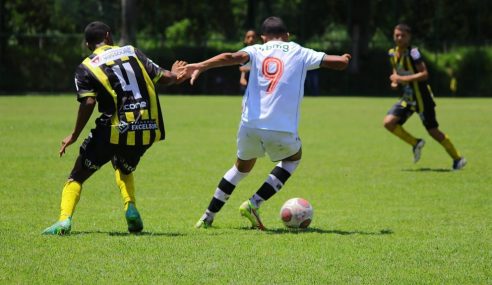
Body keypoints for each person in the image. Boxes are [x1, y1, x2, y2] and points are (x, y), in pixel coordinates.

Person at [179, 16, 351, 230]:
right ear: (287, 36)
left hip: (249, 125)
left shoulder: (256, 50)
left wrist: (202, 66)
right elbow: (339, 63)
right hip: (281, 127)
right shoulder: (299, 51)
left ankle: (207, 216)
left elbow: (230, 56)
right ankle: (254, 203)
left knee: (240, 168)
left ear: (262, 37)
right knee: (292, 160)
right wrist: (344, 58)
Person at [42, 21, 186, 235]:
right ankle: (131, 210)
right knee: (123, 167)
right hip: (147, 127)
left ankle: (64, 220)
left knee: (77, 175)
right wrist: (175, 73)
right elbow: (165, 77)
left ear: (88, 45)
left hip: (114, 128)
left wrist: (74, 135)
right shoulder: (132, 51)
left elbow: (88, 102)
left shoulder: (86, 66)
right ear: (108, 36)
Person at [384, 24, 466, 170]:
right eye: (397, 35)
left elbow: (424, 74)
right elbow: (396, 71)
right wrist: (395, 81)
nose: (399, 38)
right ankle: (416, 143)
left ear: (409, 37)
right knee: (389, 123)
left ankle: (458, 159)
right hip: (408, 98)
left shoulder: (414, 53)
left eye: (403, 35)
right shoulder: (392, 53)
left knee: (433, 131)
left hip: (423, 98)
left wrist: (402, 79)